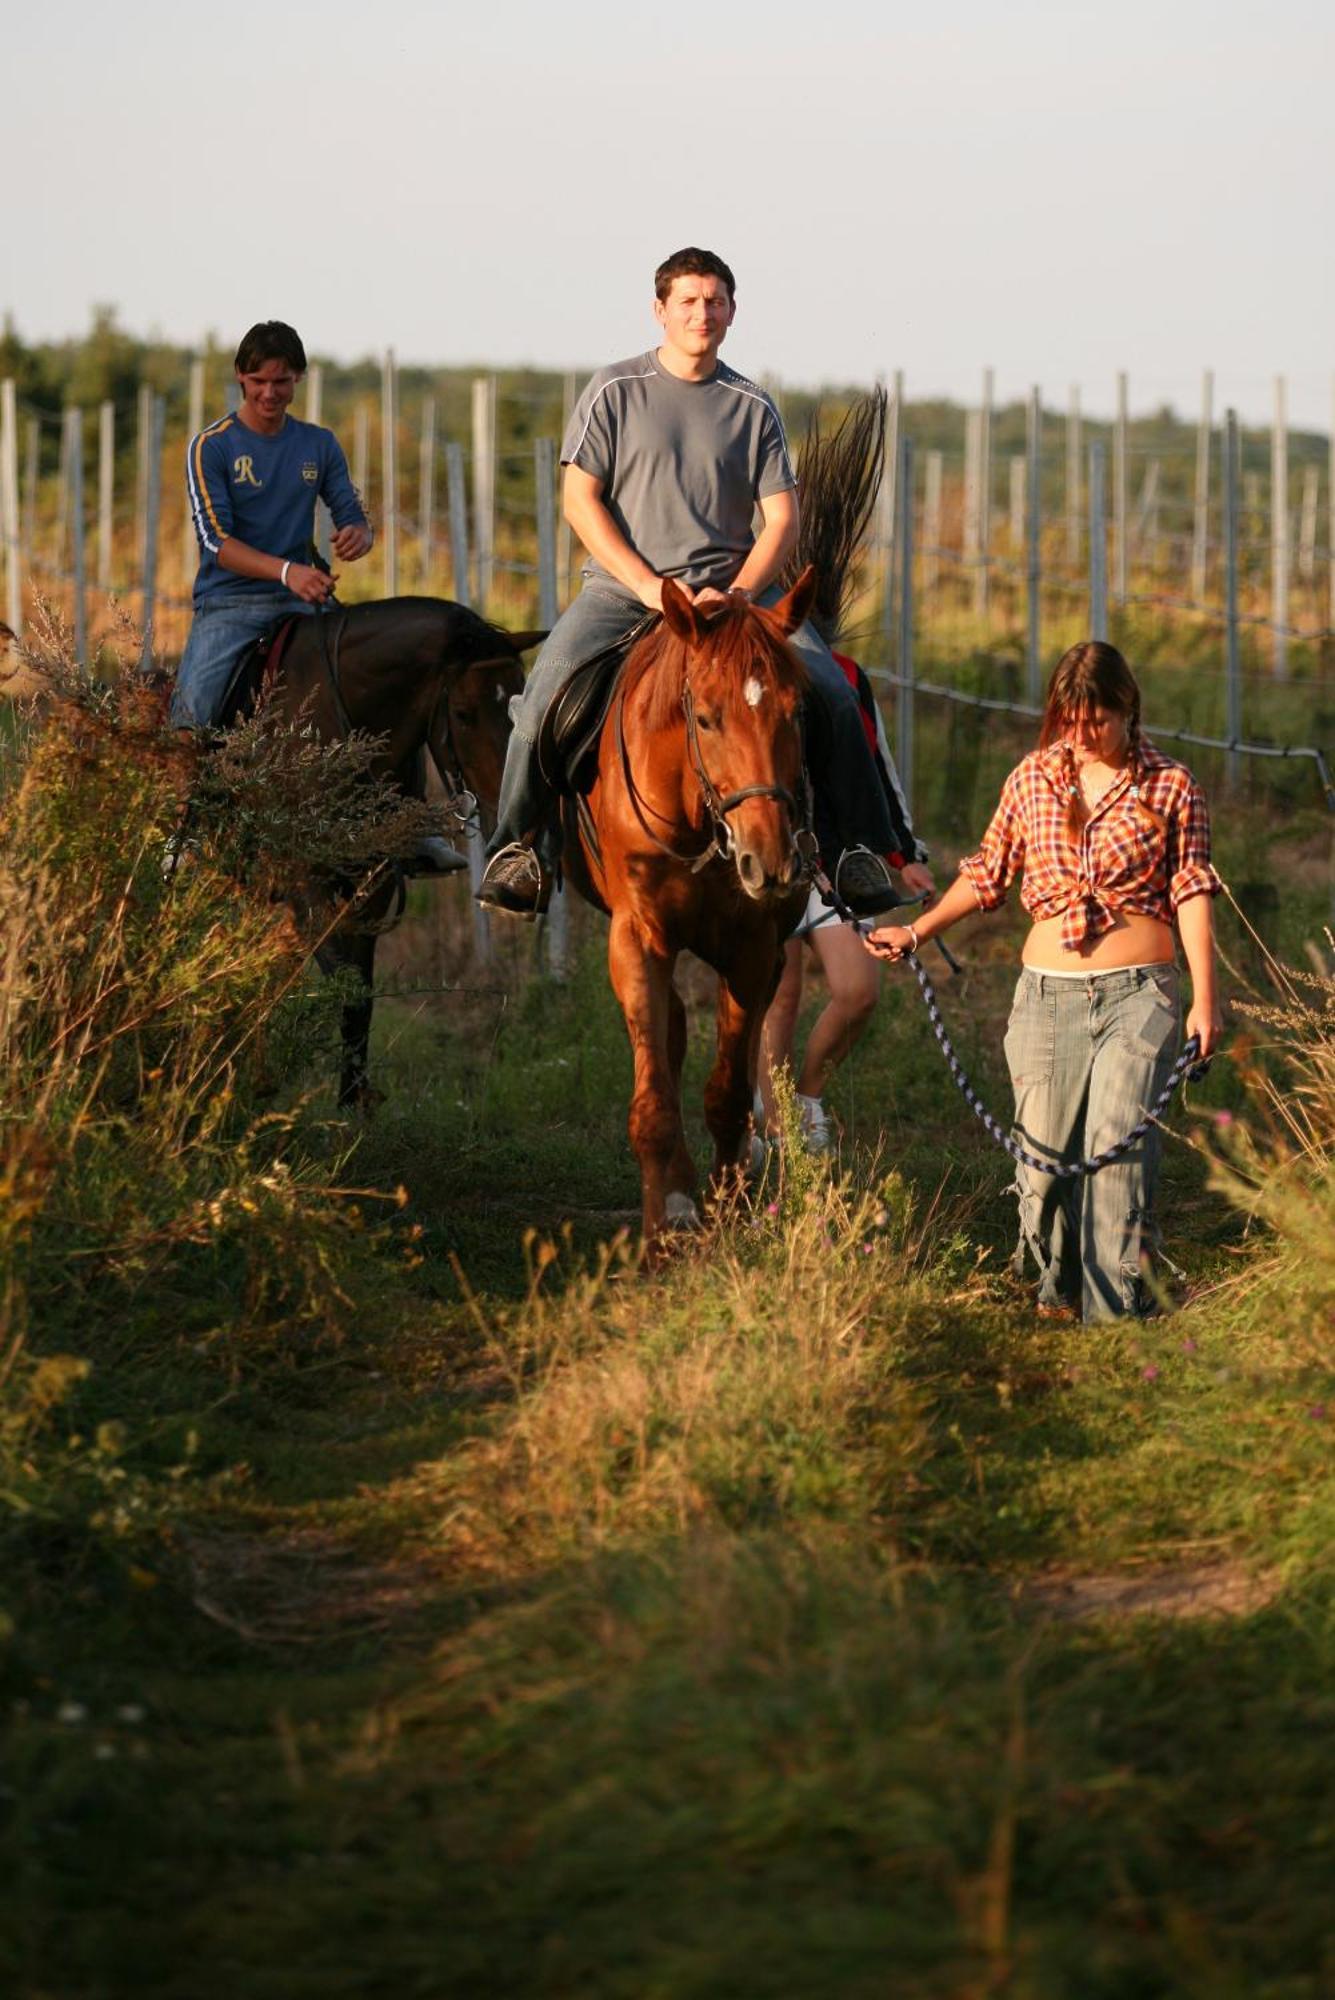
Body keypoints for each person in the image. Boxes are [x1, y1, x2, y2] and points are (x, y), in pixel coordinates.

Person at [476, 248, 908, 919]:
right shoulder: (614, 390)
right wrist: (650, 587)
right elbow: (580, 500)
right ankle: (518, 850)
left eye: (714, 301)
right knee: (541, 699)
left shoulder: (750, 405)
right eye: (687, 301)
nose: (701, 313)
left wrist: (737, 595)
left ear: (732, 311)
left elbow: (781, 518)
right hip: (624, 594)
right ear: (660, 310)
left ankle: (856, 849)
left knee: (828, 691)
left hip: (735, 598)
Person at [865, 641, 1224, 1323]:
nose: (1082, 735)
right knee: (1043, 1167)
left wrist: (1205, 1001)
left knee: (1116, 1151)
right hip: (1045, 998)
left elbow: (1191, 891)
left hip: (1138, 994)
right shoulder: (1032, 778)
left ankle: (1117, 1313)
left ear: (1127, 709)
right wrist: (918, 931)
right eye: (1069, 719)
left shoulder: (1171, 785)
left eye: (1097, 720)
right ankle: (1059, 1291)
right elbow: (988, 872)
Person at [758, 648, 936, 1154]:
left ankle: (806, 1098)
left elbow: (877, 765)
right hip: (768, 852)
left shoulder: (847, 674)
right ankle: (776, 1127)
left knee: (858, 990)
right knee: (780, 998)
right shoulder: (743, 663)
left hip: (834, 859)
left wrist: (903, 855)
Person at [173, 321, 374, 730]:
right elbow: (216, 543)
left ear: (299, 376)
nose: (269, 392)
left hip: (307, 600)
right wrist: (287, 572)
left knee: (376, 686)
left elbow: (350, 512)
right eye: (258, 380)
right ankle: (180, 791)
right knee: (188, 726)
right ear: (239, 376)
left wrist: (360, 533)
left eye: (281, 381)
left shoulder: (320, 443)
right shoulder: (211, 447)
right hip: (229, 605)